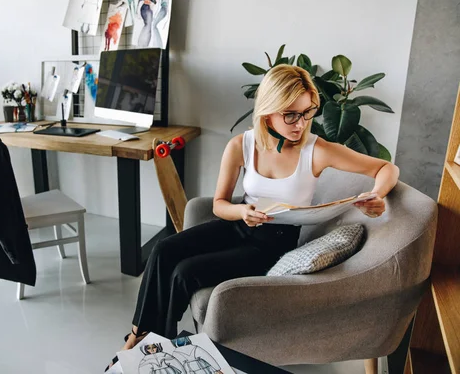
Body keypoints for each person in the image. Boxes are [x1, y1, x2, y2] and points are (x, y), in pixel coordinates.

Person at [106, 64, 399, 372]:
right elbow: (219, 204)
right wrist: (241, 211)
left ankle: (153, 350)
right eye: (291, 114)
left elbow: (385, 169)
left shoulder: (318, 150)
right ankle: (137, 337)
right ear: (268, 110)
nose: (300, 123)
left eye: (306, 112)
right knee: (165, 249)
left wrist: (377, 194)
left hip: (272, 245)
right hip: (236, 225)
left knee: (185, 272)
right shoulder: (241, 145)